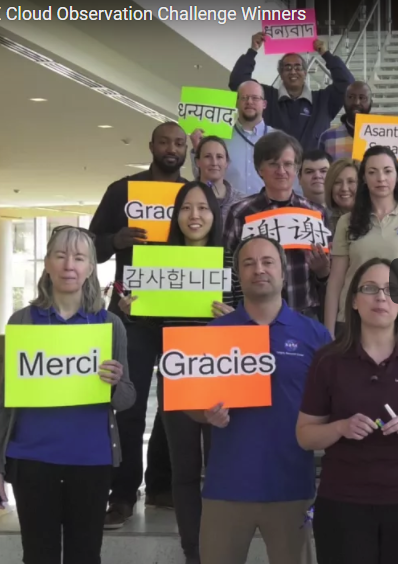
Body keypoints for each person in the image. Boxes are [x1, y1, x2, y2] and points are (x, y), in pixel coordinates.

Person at [0, 226, 136, 564]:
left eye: (79, 257)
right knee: (38, 556)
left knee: (85, 556)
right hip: (32, 461)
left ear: (90, 268)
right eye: (60, 255)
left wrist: (113, 383)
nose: (69, 264)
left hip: (92, 461)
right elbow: (5, 404)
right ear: (47, 265)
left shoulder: (110, 324)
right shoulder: (23, 322)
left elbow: (126, 399)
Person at [297, 258, 398, 564]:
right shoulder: (328, 360)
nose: (381, 297)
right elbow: (305, 435)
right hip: (344, 503)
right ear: (354, 301)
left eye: (391, 290)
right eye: (370, 288)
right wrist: (340, 428)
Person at [191, 235, 331, 564]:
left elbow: (332, 403)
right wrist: (205, 413)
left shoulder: (315, 336)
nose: (259, 269)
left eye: (267, 262)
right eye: (249, 263)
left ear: (283, 272)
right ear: (238, 275)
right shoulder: (213, 334)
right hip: (226, 487)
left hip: (291, 487)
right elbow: (190, 404)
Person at [118, 181, 238, 564]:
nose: (195, 215)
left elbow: (252, 325)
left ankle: (223, 550)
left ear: (214, 215)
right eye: (187, 208)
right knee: (184, 471)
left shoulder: (231, 263)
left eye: (203, 208)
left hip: (222, 375)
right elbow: (154, 326)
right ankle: (194, 552)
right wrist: (131, 308)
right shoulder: (158, 262)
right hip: (176, 375)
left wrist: (236, 321)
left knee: (222, 470)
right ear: (176, 215)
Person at [89, 121, 187, 527]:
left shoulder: (193, 194)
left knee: (176, 406)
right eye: (164, 141)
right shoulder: (122, 190)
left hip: (183, 314)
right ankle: (123, 493)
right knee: (128, 405)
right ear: (151, 145)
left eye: (179, 143)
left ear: (186, 150)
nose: (172, 148)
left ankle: (163, 486)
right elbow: (91, 243)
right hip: (133, 314)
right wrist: (115, 241)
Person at [324, 146, 398, 336]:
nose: (381, 178)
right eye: (372, 172)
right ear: (364, 179)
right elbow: (335, 281)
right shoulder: (347, 222)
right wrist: (328, 331)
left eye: (387, 171)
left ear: (397, 175)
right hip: (352, 322)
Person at [223, 131, 330, 320]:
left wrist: (323, 272)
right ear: (259, 169)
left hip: (304, 314)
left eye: (288, 164)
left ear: (297, 168)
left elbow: (329, 277)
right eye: (273, 164)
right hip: (254, 315)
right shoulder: (240, 213)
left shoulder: (316, 213)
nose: (281, 171)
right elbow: (229, 267)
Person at [229, 32, 355, 150]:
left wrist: (326, 54)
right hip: (276, 172)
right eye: (287, 67)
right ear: (280, 73)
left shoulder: (324, 100)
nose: (293, 71)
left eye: (298, 67)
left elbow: (348, 84)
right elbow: (238, 81)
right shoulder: (267, 97)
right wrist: (252, 50)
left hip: (314, 172)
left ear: (305, 73)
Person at [191, 80, 277, 198]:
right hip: (229, 212)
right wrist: (198, 150)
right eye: (244, 98)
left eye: (255, 98)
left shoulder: (278, 139)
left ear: (264, 104)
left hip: (267, 211)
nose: (249, 102)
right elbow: (204, 179)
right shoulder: (220, 139)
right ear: (236, 103)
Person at [192, 135, 247, 221]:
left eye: (219, 157)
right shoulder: (187, 197)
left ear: (227, 162)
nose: (214, 162)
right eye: (207, 156)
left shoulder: (242, 201)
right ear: (197, 162)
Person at [318, 80, 372, 161]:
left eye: (362, 98)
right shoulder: (327, 137)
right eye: (351, 97)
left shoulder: (384, 135)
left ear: (370, 103)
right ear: (344, 101)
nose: (356, 102)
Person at [324, 158, 359, 240]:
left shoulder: (374, 221)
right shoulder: (322, 223)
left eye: (351, 181)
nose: (344, 188)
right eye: (337, 182)